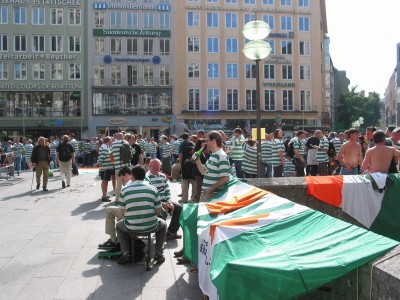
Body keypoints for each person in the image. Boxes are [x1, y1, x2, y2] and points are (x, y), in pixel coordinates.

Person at [116, 165, 167, 265]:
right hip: (151, 225)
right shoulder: (153, 189)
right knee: (163, 224)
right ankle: (158, 252)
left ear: (132, 176)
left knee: (118, 226)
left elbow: (123, 212)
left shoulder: (125, 190)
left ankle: (125, 252)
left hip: (131, 226)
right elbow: (158, 211)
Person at [145, 158, 182, 239]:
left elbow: (167, 190)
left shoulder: (163, 176)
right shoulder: (147, 178)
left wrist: (169, 202)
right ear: (149, 166)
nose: (156, 168)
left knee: (179, 208)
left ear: (160, 167)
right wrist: (162, 204)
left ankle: (171, 232)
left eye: (157, 166)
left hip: (164, 200)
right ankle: (161, 236)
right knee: (162, 211)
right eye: (153, 166)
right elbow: (150, 196)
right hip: (153, 203)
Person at [98, 166, 133, 250]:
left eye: (123, 179)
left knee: (109, 210)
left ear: (127, 175)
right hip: (142, 215)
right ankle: (112, 238)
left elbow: (123, 209)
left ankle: (112, 239)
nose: (123, 181)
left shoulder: (127, 187)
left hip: (131, 215)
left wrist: (120, 214)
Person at [195, 131, 230, 201]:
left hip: (212, 196)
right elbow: (203, 171)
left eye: (207, 141)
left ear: (213, 141)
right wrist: (197, 160)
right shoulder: (213, 155)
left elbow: (225, 178)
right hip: (207, 194)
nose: (205, 143)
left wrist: (211, 189)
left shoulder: (221, 156)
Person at [111, 132, 130, 204]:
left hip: (117, 167)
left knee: (119, 183)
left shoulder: (113, 144)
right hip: (126, 167)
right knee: (126, 183)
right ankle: (127, 198)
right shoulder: (126, 143)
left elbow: (111, 153)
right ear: (122, 137)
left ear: (116, 137)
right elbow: (131, 152)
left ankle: (117, 199)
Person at [179, 133, 195, 203]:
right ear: (188, 137)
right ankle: (194, 198)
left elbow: (181, 155)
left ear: (182, 137)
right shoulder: (192, 143)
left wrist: (180, 164)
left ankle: (184, 199)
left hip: (184, 164)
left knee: (185, 182)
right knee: (194, 181)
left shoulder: (181, 144)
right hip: (192, 164)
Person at [97, 136, 114, 202]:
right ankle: (104, 195)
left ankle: (105, 194)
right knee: (105, 181)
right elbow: (102, 157)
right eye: (111, 141)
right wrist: (99, 163)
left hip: (106, 167)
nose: (111, 142)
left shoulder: (105, 147)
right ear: (108, 141)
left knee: (105, 181)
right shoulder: (104, 147)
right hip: (105, 167)